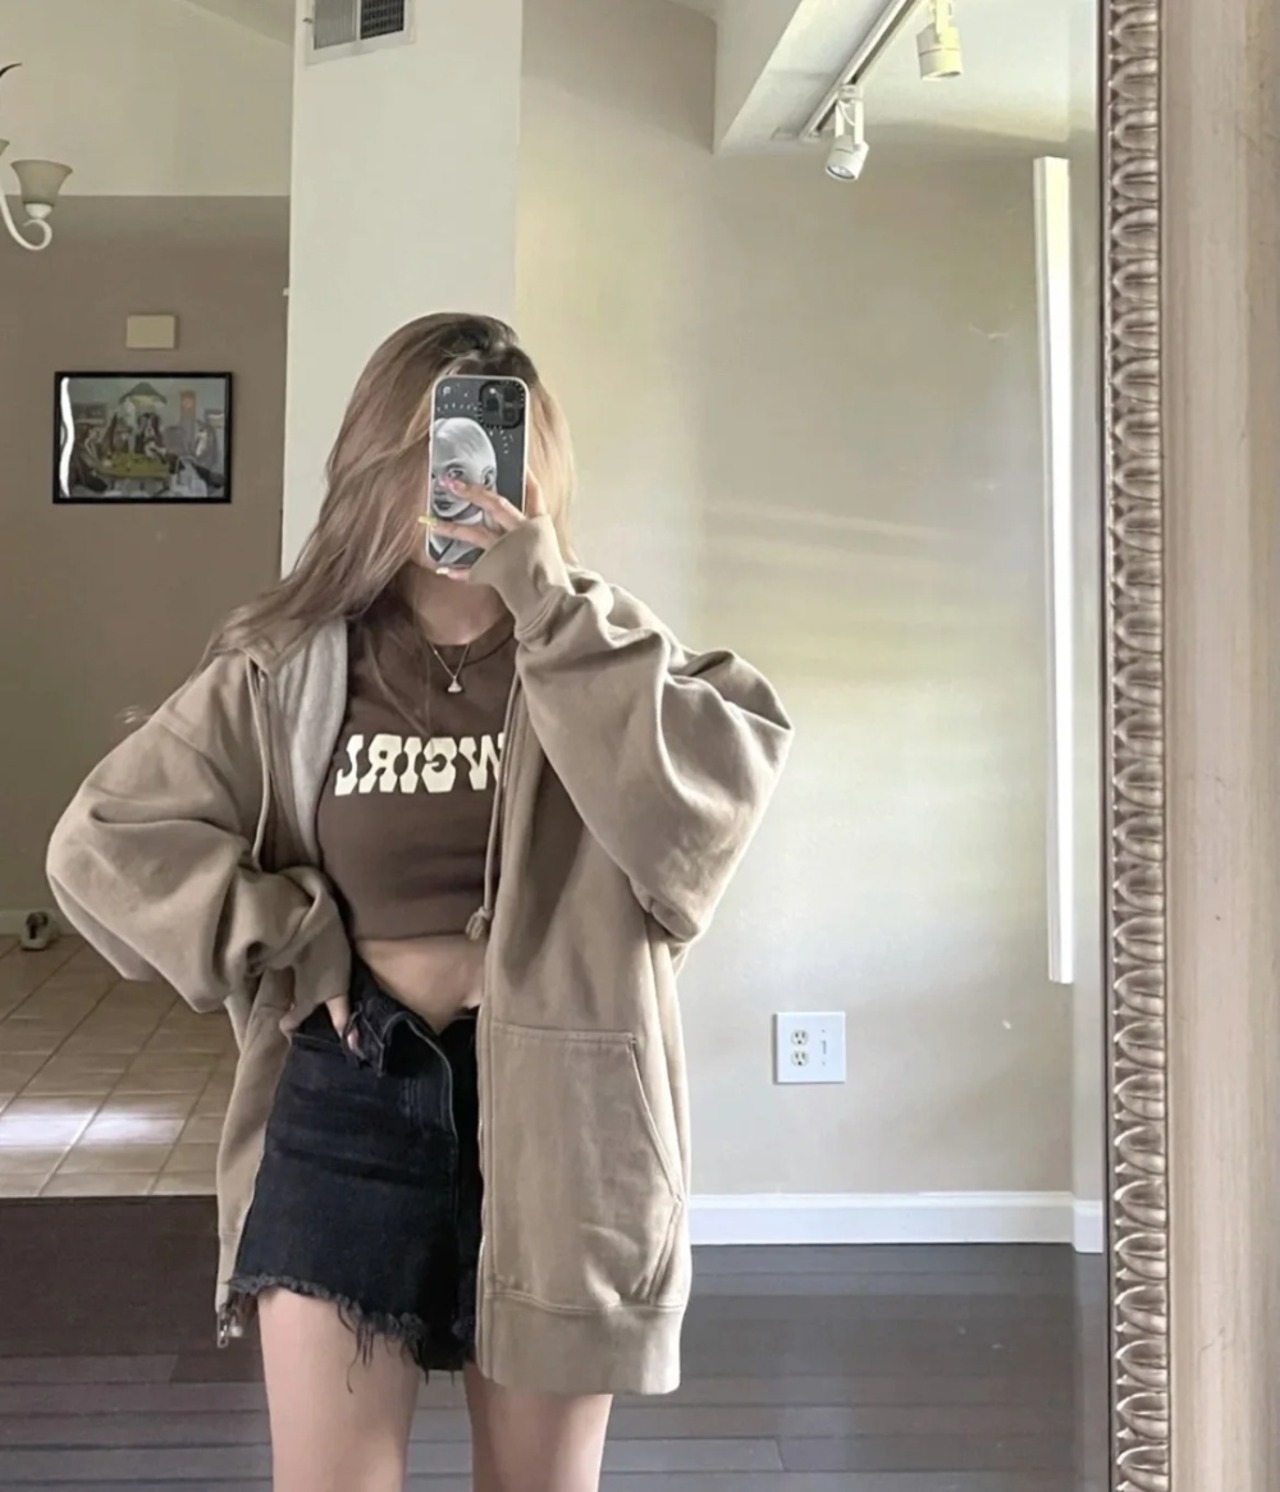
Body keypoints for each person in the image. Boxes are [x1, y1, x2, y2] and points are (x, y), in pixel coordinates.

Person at [45, 313, 792, 1492]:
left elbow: (697, 824)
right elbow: (101, 843)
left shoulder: (594, 645)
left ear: (540, 469)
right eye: (437, 451)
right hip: (348, 1096)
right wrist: (289, 935)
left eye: (498, 449)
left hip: (561, 1115)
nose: (465, 481)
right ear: (378, 465)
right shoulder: (291, 664)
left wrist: (544, 602)